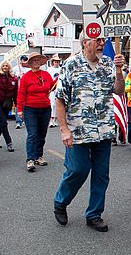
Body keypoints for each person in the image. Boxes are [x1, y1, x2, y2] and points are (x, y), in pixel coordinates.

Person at [53, 34, 126, 232]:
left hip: (103, 130)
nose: (102, 43)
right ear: (85, 42)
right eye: (98, 40)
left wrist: (119, 71)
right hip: (78, 130)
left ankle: (94, 214)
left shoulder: (108, 63)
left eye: (104, 40)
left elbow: (119, 91)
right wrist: (64, 130)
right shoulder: (71, 65)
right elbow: (60, 99)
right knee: (78, 169)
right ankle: (61, 201)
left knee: (101, 175)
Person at [16, 53, 56, 172]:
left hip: (45, 107)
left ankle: (39, 155)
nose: (36, 61)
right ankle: (30, 159)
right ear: (30, 63)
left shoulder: (46, 74)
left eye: (38, 60)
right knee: (33, 134)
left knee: (42, 134)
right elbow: (21, 93)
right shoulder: (26, 77)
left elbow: (52, 86)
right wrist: (19, 109)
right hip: (30, 108)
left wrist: (60, 79)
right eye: (34, 60)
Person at [13, 55, 30, 129]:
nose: (24, 61)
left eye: (26, 60)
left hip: (27, 89)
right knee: (18, 104)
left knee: (26, 105)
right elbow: (12, 77)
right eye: (23, 60)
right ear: (21, 60)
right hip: (18, 88)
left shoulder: (28, 69)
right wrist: (17, 77)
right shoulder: (15, 68)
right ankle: (18, 121)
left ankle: (25, 120)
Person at [47, 54, 61, 128]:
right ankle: (51, 120)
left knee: (56, 104)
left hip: (58, 88)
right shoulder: (49, 69)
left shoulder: (61, 69)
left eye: (58, 61)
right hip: (51, 88)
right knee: (51, 104)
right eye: (55, 61)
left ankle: (55, 119)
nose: (56, 63)